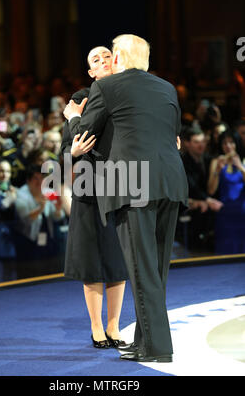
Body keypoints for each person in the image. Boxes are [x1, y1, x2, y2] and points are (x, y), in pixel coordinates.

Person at [64, 34, 189, 363]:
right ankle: (146, 341)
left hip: (133, 185)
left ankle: (157, 347)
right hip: (171, 182)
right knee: (156, 270)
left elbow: (83, 135)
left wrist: (71, 117)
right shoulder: (167, 89)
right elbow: (171, 135)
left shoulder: (107, 87)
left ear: (118, 57)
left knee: (139, 268)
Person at [61, 46, 129, 349]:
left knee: (118, 260)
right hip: (89, 187)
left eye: (105, 56)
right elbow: (66, 147)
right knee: (92, 261)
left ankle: (114, 327)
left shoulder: (129, 94)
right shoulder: (80, 98)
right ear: (90, 72)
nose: (102, 60)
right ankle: (97, 328)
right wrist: (72, 152)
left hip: (122, 184)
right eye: (94, 60)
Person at [208, 130, 245, 254]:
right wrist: (217, 170)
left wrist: (240, 167)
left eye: (231, 142)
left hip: (242, 211)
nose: (228, 146)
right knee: (225, 253)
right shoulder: (216, 162)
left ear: (237, 144)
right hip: (224, 212)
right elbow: (211, 190)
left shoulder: (243, 160)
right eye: (224, 143)